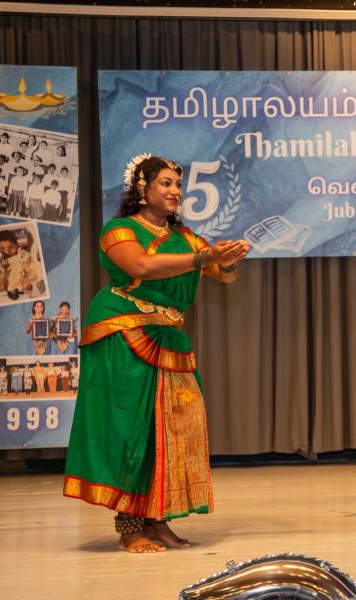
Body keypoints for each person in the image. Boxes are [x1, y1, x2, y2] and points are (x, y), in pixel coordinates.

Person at [63, 154, 250, 554]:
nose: (175, 191)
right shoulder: (119, 230)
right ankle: (130, 527)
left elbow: (225, 275)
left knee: (171, 430)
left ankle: (158, 520)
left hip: (167, 336)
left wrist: (228, 261)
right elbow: (141, 266)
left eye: (178, 184)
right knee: (130, 430)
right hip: (123, 332)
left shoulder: (186, 238)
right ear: (141, 187)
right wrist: (206, 257)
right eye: (165, 183)